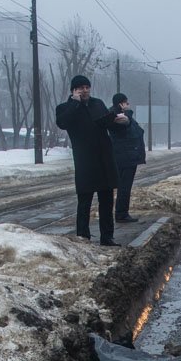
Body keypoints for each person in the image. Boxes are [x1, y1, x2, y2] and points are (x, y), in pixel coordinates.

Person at [54, 74, 122, 246]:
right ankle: (83, 237)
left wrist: (122, 120)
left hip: (104, 157)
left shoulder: (97, 103)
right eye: (80, 88)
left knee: (106, 201)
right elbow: (62, 123)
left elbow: (109, 123)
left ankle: (107, 237)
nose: (84, 90)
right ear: (73, 91)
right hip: (85, 159)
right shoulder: (65, 107)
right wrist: (75, 103)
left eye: (86, 87)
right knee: (84, 201)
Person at [107, 93, 146, 223]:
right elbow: (125, 128)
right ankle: (121, 214)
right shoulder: (118, 116)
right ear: (121, 103)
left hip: (128, 156)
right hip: (124, 157)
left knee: (125, 186)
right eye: (126, 103)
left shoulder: (121, 115)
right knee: (124, 187)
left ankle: (122, 212)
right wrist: (128, 112)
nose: (128, 105)